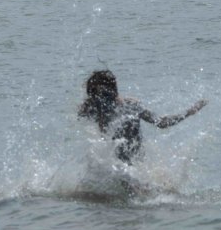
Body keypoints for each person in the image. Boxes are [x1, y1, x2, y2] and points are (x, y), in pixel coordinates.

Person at [78, 69, 206, 163]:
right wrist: (188, 113)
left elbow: (161, 122)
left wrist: (188, 113)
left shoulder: (127, 106)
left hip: (119, 162)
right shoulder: (128, 105)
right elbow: (161, 122)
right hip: (123, 161)